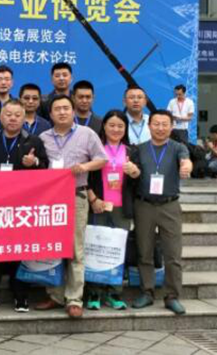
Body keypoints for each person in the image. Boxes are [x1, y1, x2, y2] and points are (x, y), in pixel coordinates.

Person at [35, 95, 107, 319]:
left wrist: (84, 167)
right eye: (57, 109)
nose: (62, 112)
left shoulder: (87, 134)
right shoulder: (43, 137)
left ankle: (75, 299)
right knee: (52, 247)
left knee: (76, 249)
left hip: (77, 195)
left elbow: (102, 159)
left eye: (66, 108)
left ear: (73, 111)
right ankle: (55, 295)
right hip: (51, 199)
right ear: (50, 114)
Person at [0, 99, 48, 313]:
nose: (12, 119)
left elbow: (47, 168)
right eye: (8, 114)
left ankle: (21, 297)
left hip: (23, 205)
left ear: (24, 118)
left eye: (17, 115)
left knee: (20, 250)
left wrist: (35, 163)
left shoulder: (34, 141)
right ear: (1, 117)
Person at [131, 110, 192, 315]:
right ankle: (147, 292)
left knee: (173, 254)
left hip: (169, 205)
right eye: (156, 124)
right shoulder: (139, 149)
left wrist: (186, 166)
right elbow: (133, 171)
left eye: (165, 124)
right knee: (144, 251)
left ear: (171, 126)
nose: (160, 128)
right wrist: (132, 171)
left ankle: (172, 296)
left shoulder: (178, 147)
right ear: (149, 126)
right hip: (144, 205)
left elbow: (186, 161)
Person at [85, 110, 141, 310]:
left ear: (125, 129)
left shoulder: (132, 151)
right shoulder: (95, 148)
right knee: (95, 249)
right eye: (112, 125)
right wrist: (93, 199)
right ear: (104, 127)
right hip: (98, 206)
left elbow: (139, 180)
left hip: (122, 208)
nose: (116, 129)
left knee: (117, 250)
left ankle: (114, 293)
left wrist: (135, 172)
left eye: (120, 126)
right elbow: (85, 177)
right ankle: (94, 293)